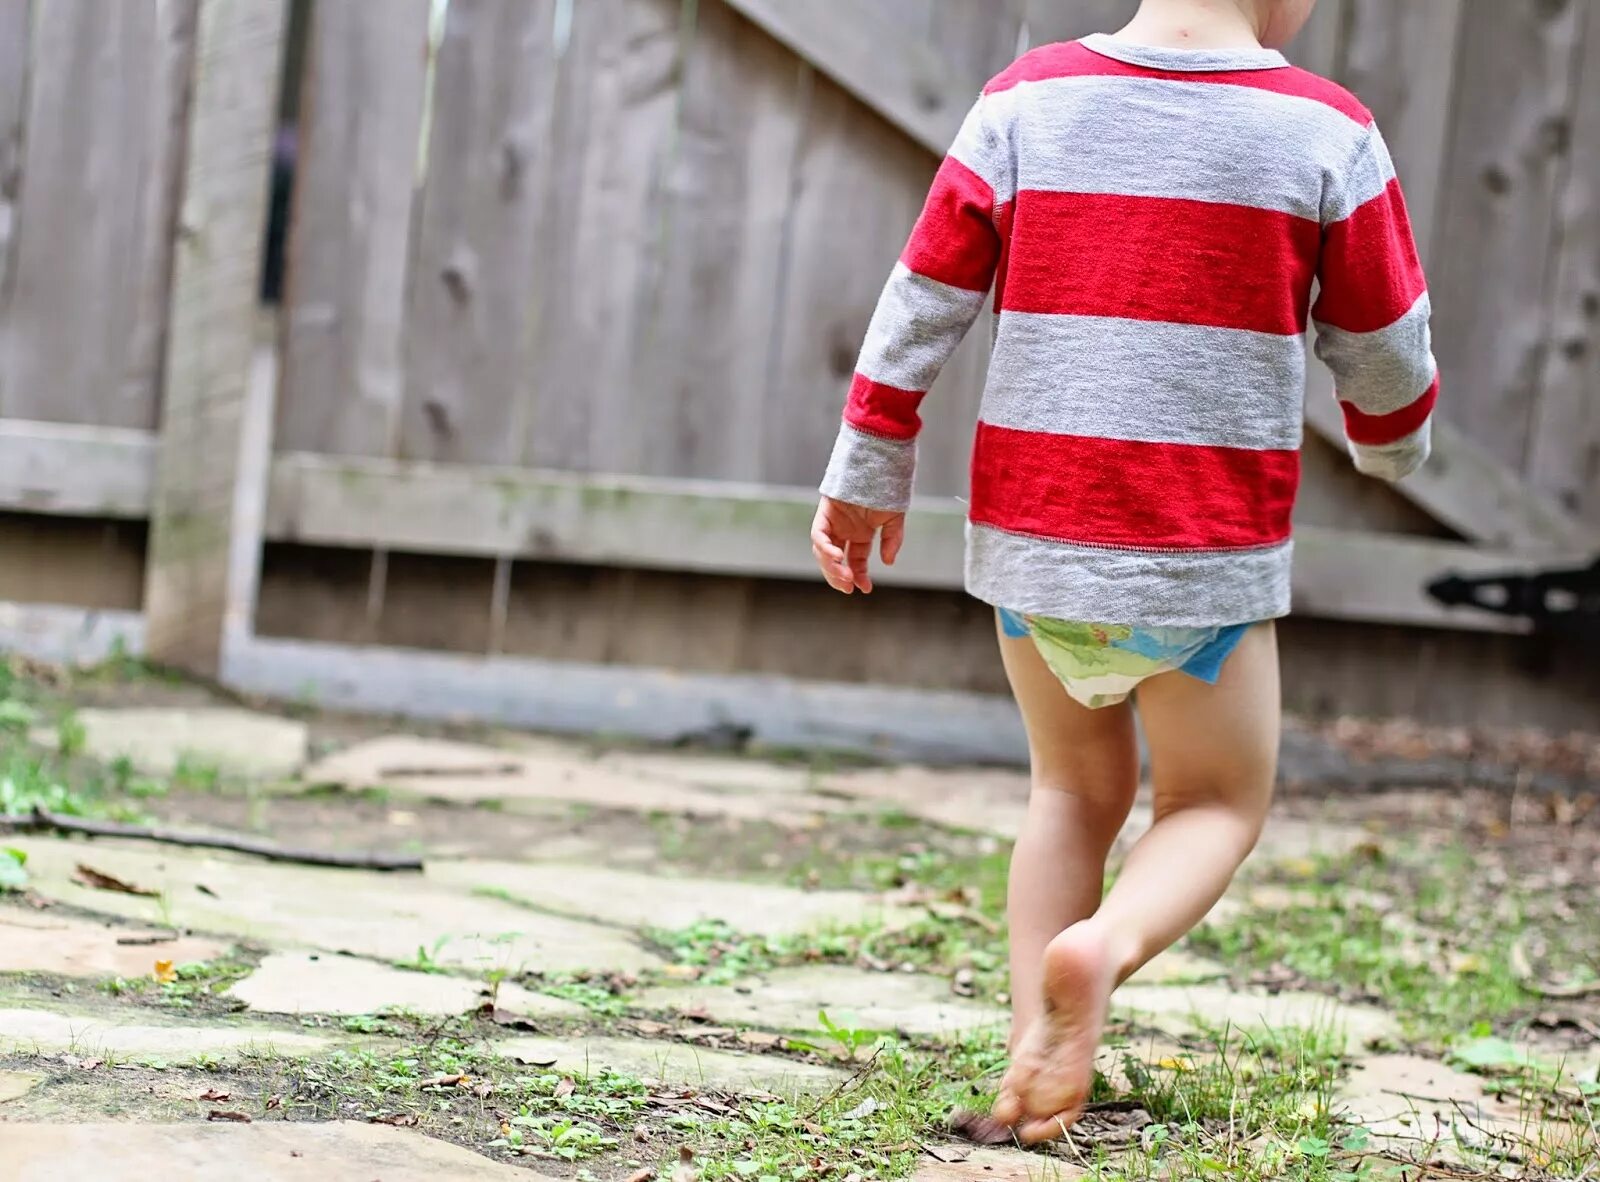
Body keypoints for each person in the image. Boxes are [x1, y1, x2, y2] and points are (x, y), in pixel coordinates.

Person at [809, 0, 1437, 1146]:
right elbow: (1384, 339)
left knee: (1068, 792)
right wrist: (1392, 443)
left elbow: (925, 295)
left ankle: (1030, 1061)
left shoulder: (1026, 99)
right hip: (1199, 561)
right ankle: (1100, 952)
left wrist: (870, 459)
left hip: (1036, 546)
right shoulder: (1325, 132)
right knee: (1213, 800)